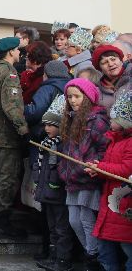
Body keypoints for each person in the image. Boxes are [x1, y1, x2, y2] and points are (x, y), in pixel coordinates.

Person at [58, 78, 109, 271]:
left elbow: (105, 147)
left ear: (87, 97)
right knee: (73, 220)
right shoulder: (71, 119)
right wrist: (65, 169)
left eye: (77, 96)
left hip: (88, 178)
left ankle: (94, 258)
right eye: (69, 96)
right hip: (72, 178)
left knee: (87, 220)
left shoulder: (97, 120)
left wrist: (97, 165)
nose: (72, 100)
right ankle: (91, 253)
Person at [0, 36, 29, 239]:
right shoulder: (9, 72)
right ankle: (2, 222)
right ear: (11, 52)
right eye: (18, 50)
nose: (19, 54)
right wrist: (23, 129)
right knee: (6, 178)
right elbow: (12, 105)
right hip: (5, 135)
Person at [86, 89, 132, 271]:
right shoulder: (114, 140)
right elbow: (111, 165)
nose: (109, 123)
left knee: (127, 249)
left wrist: (101, 169)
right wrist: (98, 168)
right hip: (111, 202)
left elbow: (127, 169)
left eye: (113, 120)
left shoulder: (128, 142)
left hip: (124, 203)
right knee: (106, 251)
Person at [32, 95, 74, 271]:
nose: (47, 128)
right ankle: (54, 256)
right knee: (52, 227)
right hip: (46, 193)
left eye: (51, 125)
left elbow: (59, 169)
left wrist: (54, 184)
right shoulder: (45, 143)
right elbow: (38, 165)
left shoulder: (62, 145)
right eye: (45, 125)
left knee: (61, 228)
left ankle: (63, 260)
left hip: (57, 193)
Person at [25, 60, 71, 161]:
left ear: (46, 74)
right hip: (62, 134)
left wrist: (25, 108)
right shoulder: (70, 86)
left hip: (43, 134)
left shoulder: (47, 88)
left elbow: (35, 112)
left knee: (39, 164)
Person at [92, 44, 132, 112]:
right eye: (104, 62)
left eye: (113, 59)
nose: (110, 64)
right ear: (100, 68)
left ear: (121, 60)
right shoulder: (98, 90)